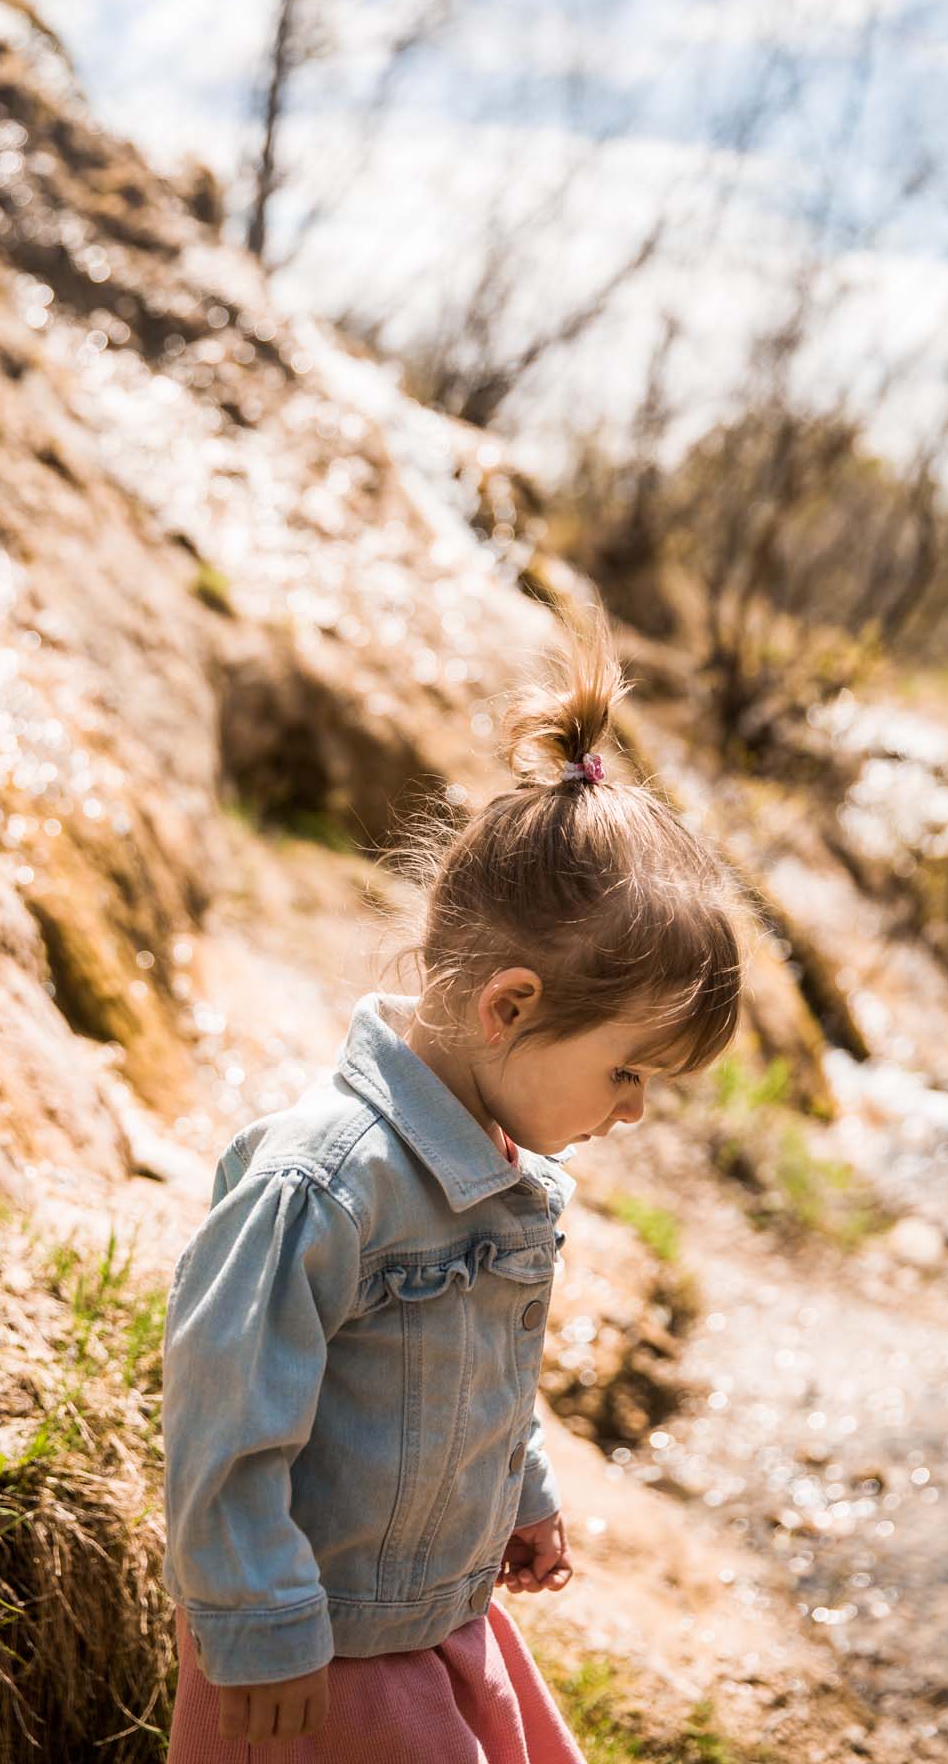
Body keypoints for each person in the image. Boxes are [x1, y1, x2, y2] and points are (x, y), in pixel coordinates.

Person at [161, 607, 746, 1761]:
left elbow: (477, 1378)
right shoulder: (324, 1182)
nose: (633, 1108)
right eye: (625, 1071)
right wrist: (261, 1618)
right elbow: (224, 1414)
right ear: (509, 1006)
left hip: (438, 1621)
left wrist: (519, 1489)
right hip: (319, 1657)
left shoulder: (502, 1170)